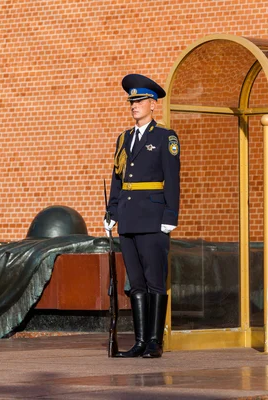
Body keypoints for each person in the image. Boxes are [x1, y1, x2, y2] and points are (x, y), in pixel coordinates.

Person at [104, 74, 180, 358]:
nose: (134, 105)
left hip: (154, 216)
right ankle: (139, 342)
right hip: (129, 217)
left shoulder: (165, 137)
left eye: (139, 101)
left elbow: (172, 179)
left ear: (152, 104)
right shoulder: (124, 138)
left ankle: (154, 342)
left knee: (155, 282)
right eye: (131, 101)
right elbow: (117, 178)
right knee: (135, 282)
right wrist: (112, 210)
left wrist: (171, 213)